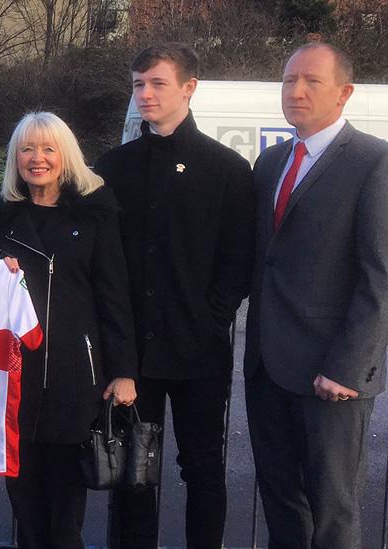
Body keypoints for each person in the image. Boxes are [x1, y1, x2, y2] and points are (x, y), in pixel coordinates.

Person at [93, 43, 255, 549]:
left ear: (189, 87)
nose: (145, 93)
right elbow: (103, 261)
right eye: (138, 83)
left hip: (198, 352)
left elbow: (239, 259)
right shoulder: (113, 166)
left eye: (157, 83)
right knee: (132, 473)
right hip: (131, 355)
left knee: (203, 469)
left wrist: (211, 318)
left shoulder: (226, 168)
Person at [245, 42, 388, 549]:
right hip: (267, 369)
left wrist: (349, 367)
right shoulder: (269, 162)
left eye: (311, 81)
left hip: (331, 377)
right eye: (289, 80)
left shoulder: (376, 163)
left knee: (333, 513)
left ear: (345, 92)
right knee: (282, 505)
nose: (296, 91)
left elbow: (382, 278)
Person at [0, 112, 137, 549]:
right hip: (13, 376)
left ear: (65, 155)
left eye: (48, 149)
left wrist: (124, 370)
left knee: (64, 512)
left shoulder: (95, 215)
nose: (38, 159)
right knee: (24, 504)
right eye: (27, 149)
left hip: (76, 378)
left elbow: (114, 296)